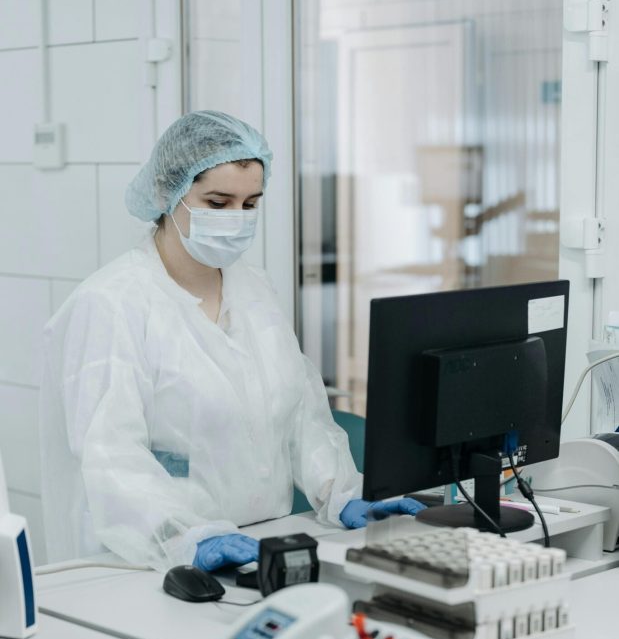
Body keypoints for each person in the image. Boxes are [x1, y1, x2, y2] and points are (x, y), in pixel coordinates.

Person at [40, 111, 423, 572]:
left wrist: (339, 492)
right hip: (153, 559)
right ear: (168, 192)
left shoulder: (255, 289)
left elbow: (299, 412)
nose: (236, 219)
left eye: (250, 204)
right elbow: (109, 456)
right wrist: (186, 537)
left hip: (262, 541)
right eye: (218, 203)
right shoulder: (111, 303)